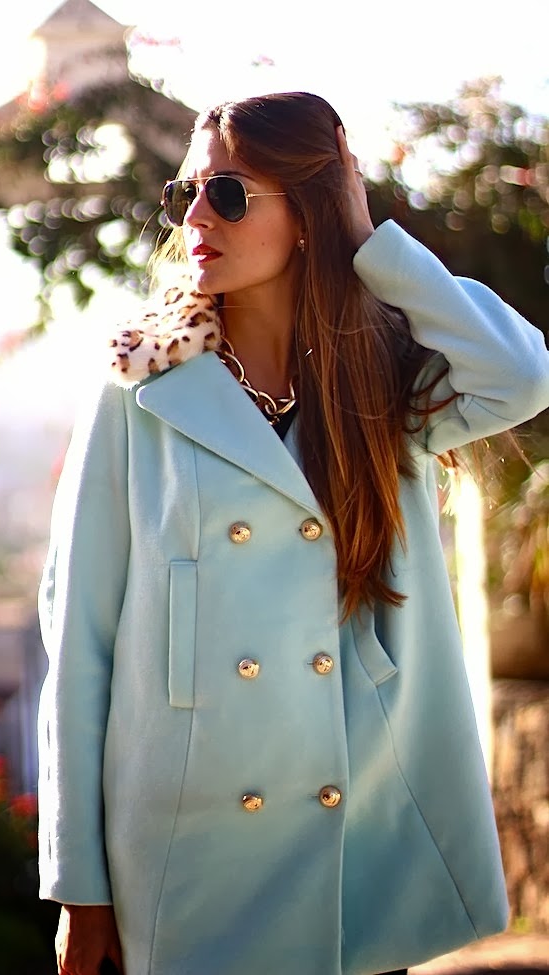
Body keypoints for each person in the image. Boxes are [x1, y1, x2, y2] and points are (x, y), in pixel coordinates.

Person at [37, 91, 549, 975]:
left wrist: (368, 238)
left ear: (309, 216)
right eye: (187, 193)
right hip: (188, 849)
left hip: (354, 837)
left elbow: (521, 375)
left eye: (229, 194)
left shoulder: (383, 384)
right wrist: (78, 883)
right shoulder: (139, 393)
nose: (197, 217)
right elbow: (80, 643)